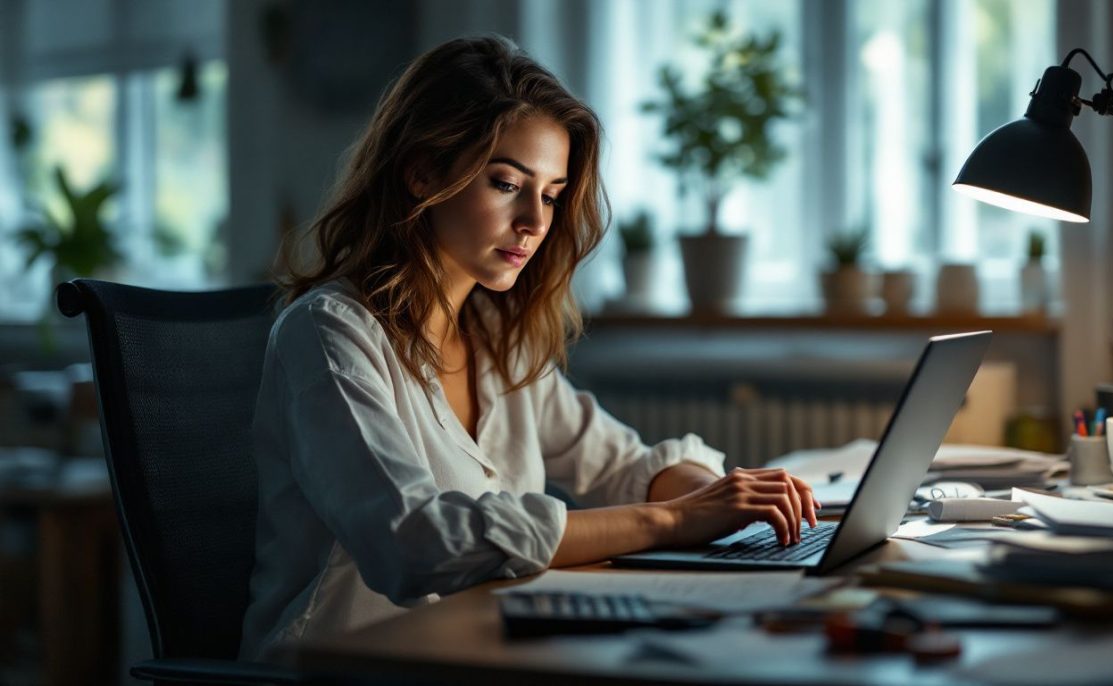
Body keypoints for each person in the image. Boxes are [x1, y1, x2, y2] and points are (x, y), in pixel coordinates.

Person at [240, 35, 819, 660]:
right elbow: (413, 542)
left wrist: (724, 501)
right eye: (506, 183)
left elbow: (620, 466)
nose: (536, 223)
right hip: (346, 666)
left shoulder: (496, 341)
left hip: (483, 651)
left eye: (549, 194)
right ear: (422, 173)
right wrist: (676, 521)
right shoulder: (328, 334)